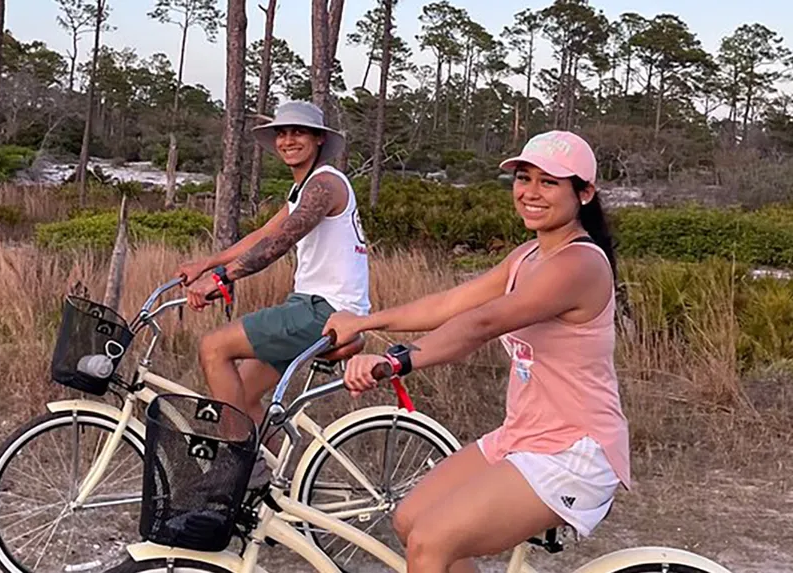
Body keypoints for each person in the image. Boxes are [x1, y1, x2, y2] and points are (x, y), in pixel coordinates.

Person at [323, 130, 631, 572]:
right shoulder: (528, 256)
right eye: (524, 178)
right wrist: (364, 322)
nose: (530, 192)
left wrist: (397, 361)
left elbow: (484, 322)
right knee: (410, 520)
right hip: (522, 436)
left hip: (573, 453)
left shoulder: (580, 264)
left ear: (584, 193)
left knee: (431, 543)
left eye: (549, 182)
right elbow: (452, 304)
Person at [176, 100, 371, 483]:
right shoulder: (302, 189)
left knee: (214, 347)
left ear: (318, 139)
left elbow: (281, 241)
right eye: (281, 133)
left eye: (297, 132)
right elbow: (263, 234)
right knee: (245, 397)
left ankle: (238, 468)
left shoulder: (326, 184)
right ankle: (291, 485)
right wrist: (208, 263)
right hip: (310, 305)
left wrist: (222, 280)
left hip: (327, 310)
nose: (287, 140)